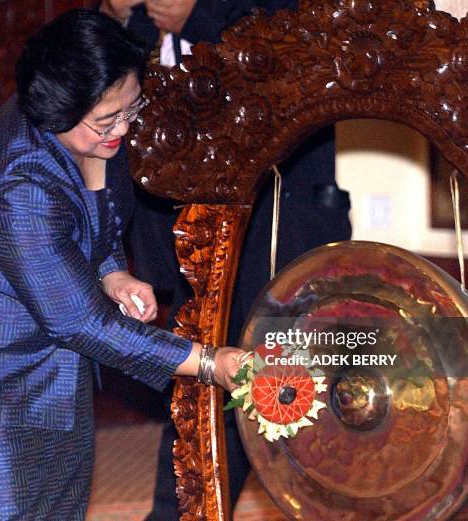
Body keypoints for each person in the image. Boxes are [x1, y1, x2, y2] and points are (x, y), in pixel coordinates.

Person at [0, 9, 245, 521]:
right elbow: (81, 321)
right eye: (108, 120)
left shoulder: (95, 129)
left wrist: (111, 272)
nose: (123, 127)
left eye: (131, 107)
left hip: (39, 345)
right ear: (59, 110)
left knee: (58, 492)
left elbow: (91, 220)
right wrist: (211, 363)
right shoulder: (23, 187)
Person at [100, 2, 352, 520]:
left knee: (297, 379)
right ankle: (185, 511)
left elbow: (310, 36)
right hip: (181, 201)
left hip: (277, 202)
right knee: (203, 363)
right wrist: (121, 14)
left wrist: (197, 14)